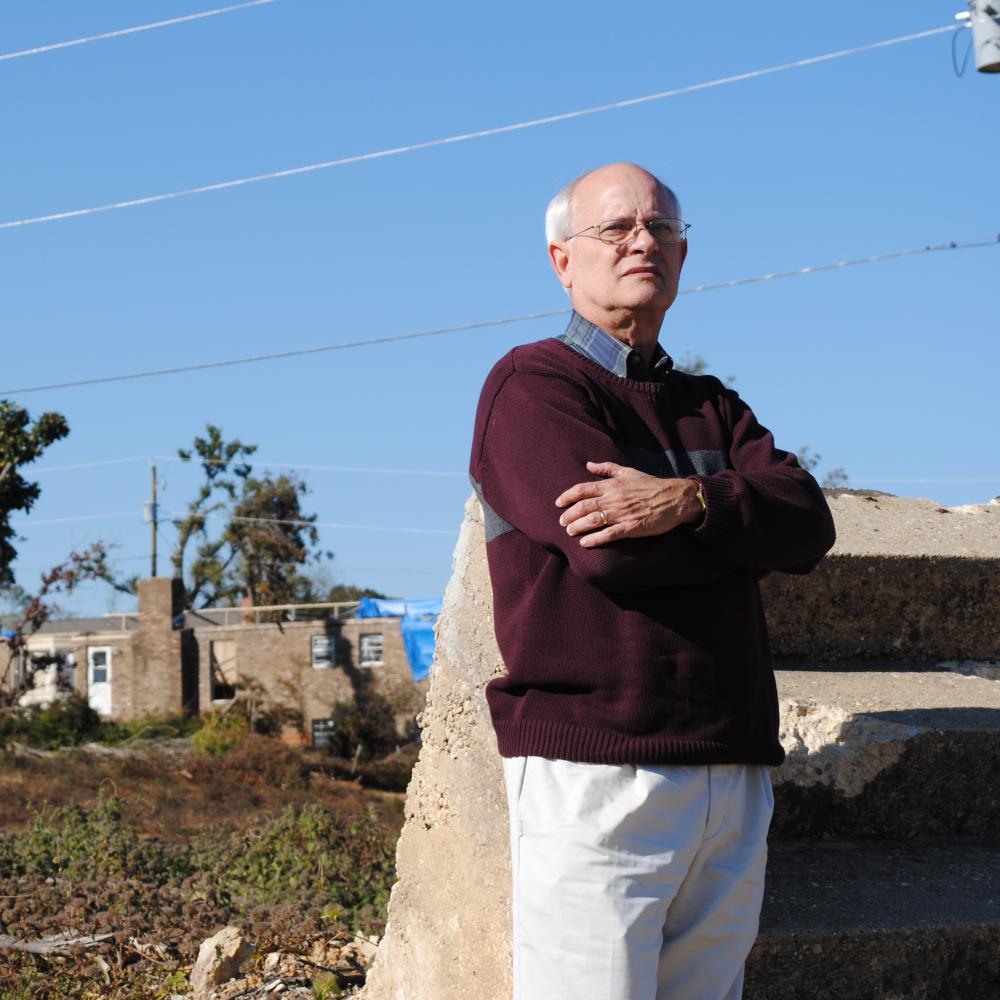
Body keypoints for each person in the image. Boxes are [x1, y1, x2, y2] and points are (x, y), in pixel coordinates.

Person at [469, 163, 836, 1000]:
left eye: (663, 228)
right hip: (599, 774)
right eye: (618, 228)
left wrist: (687, 501)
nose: (645, 242)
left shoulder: (712, 405)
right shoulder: (532, 387)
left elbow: (810, 523)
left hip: (730, 769)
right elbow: (608, 553)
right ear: (563, 260)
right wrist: (741, 531)